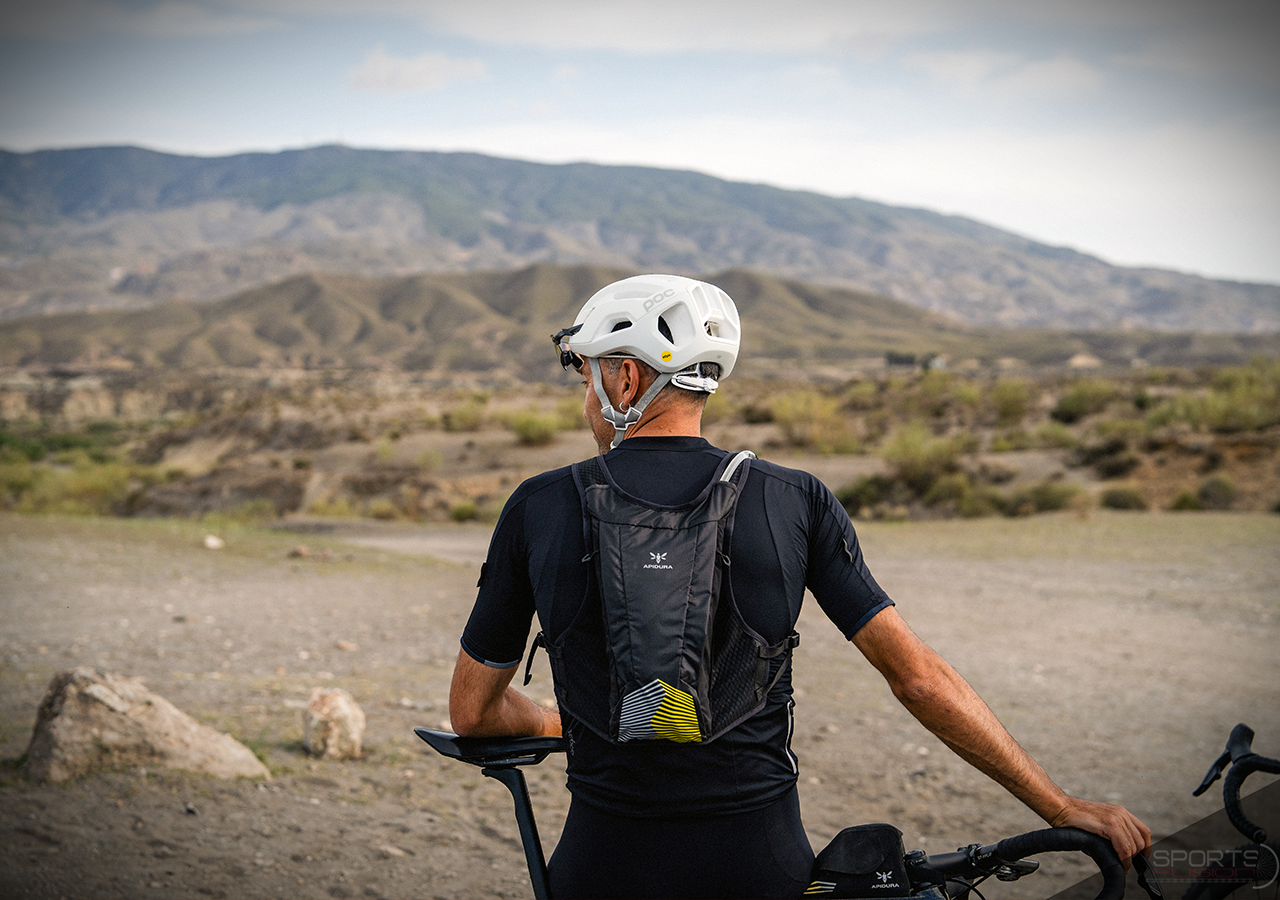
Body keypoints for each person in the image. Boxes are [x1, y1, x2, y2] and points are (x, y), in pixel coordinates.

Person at [448, 274, 1151, 899]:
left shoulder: (540, 505)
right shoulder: (793, 499)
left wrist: (570, 718)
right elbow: (918, 680)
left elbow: (473, 715)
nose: (586, 404)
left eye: (587, 380)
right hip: (760, 864)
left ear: (626, 380)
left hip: (603, 867)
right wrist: (1059, 808)